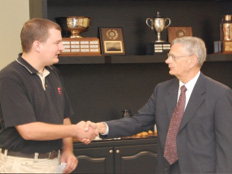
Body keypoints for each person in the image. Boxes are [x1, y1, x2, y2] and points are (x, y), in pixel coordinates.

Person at [96, 36, 232, 173]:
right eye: (168, 56)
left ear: (192, 60)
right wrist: (103, 127)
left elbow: (227, 146)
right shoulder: (162, 90)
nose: (167, 61)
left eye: (173, 57)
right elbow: (139, 122)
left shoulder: (219, 94)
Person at [0, 18, 98, 173]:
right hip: (23, 166)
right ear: (37, 45)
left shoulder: (53, 73)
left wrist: (67, 149)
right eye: (57, 43)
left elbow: (64, 117)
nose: (62, 47)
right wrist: (76, 131)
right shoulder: (10, 77)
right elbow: (29, 130)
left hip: (54, 163)